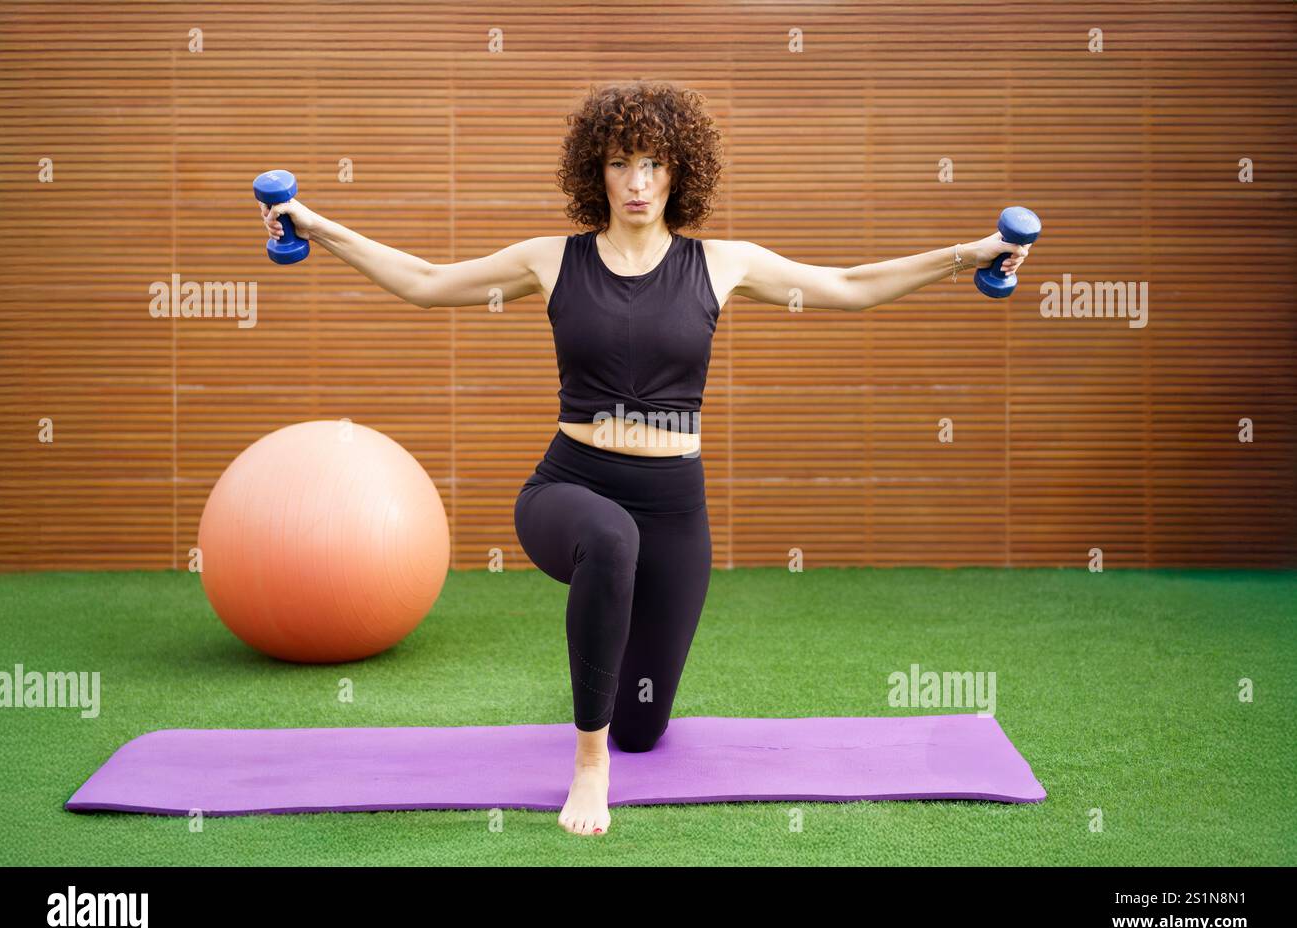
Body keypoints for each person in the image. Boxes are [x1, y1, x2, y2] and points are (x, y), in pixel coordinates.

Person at [258, 80, 1032, 837]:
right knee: (609, 542)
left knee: (643, 728)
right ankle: (588, 764)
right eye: (622, 162)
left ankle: (615, 738)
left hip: (675, 510)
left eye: (655, 164)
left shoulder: (721, 264)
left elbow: (849, 286)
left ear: (679, 173)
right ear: (596, 171)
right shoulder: (553, 260)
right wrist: (315, 226)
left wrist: (974, 254)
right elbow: (427, 283)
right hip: (569, 486)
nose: (638, 181)